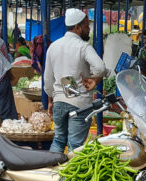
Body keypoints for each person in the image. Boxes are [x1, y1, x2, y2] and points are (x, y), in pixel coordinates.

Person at [43, 8, 107, 153]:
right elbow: (100, 68)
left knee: (58, 140)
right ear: (78, 27)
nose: (89, 29)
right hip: (79, 104)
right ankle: (67, 176)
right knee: (75, 146)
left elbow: (47, 80)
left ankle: (52, 173)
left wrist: (52, 100)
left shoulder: (53, 47)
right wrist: (94, 80)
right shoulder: (83, 47)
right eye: (86, 26)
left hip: (59, 101)